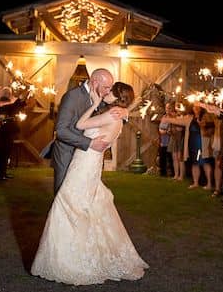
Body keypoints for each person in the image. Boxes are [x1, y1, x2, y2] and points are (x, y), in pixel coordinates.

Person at [31, 82, 149, 285]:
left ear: (116, 95)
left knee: (68, 203)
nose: (106, 93)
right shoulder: (118, 114)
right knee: (84, 205)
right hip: (90, 162)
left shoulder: (112, 114)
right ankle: (81, 252)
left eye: (110, 91)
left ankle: (72, 260)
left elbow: (79, 126)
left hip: (85, 164)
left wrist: (94, 104)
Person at [51, 68, 126, 194]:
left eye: (110, 88)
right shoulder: (72, 96)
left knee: (85, 195)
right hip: (67, 152)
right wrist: (90, 143)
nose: (108, 92)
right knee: (63, 194)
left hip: (87, 158)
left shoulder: (101, 97)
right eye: (106, 87)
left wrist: (125, 112)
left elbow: (109, 117)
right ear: (95, 82)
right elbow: (61, 130)